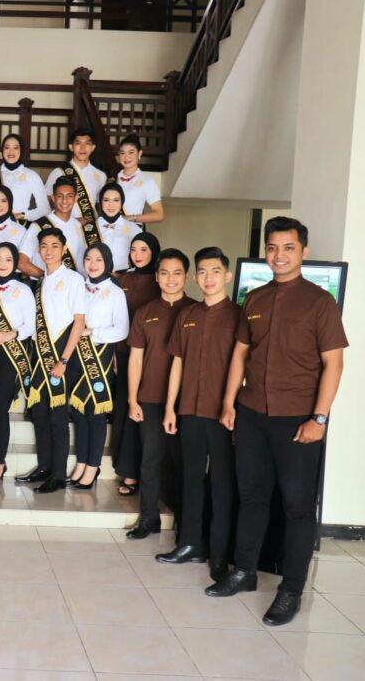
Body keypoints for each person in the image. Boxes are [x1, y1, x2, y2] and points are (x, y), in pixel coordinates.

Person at [208, 218, 346, 627]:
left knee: (297, 506)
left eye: (287, 248)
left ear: (303, 251)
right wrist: (229, 403)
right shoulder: (254, 298)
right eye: (272, 248)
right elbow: (240, 353)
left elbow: (334, 364)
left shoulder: (320, 302)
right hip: (252, 413)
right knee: (252, 496)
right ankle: (244, 571)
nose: (278, 255)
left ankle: (291, 590)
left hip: (298, 419)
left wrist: (319, 418)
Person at [159, 247, 239, 579]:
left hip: (223, 414)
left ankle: (219, 554)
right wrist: (170, 407)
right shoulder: (187, 315)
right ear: (195, 277)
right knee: (191, 479)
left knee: (221, 484)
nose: (208, 278)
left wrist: (235, 408)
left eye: (215, 271)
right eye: (203, 272)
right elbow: (177, 362)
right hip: (189, 409)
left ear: (227, 275)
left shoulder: (239, 316)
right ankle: (190, 543)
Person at [125, 248, 197, 539]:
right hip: (151, 398)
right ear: (156, 276)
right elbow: (135, 358)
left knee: (184, 461)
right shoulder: (145, 313)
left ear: (187, 277)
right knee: (150, 460)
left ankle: (186, 522)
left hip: (188, 400)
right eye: (164, 273)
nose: (170, 279)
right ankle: (149, 518)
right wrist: (132, 398)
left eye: (177, 273)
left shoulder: (196, 311)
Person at [17, 228, 86, 493]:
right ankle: (44, 467)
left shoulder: (73, 279)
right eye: (44, 246)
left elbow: (78, 322)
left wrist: (64, 360)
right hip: (40, 356)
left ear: (64, 249)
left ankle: (58, 475)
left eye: (54, 246)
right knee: (40, 414)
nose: (49, 251)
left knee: (57, 417)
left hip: (61, 357)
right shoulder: (41, 281)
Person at [67, 243, 128, 490]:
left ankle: (93, 466)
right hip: (75, 356)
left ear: (108, 263)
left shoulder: (115, 293)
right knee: (78, 413)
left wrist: (93, 333)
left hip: (99, 357)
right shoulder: (76, 286)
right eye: (89, 259)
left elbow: (122, 330)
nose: (92, 264)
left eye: (99, 260)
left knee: (95, 414)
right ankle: (81, 462)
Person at [0, 242, 35, 486]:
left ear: (15, 264)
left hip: (10, 355)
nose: (2, 264)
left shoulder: (23, 290)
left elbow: (30, 325)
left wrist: (10, 334)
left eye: (8, 259)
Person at [112, 232, 162, 495]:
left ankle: (150, 475)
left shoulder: (161, 279)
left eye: (144, 249)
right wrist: (114, 354)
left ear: (154, 252)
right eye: (134, 249)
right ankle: (129, 473)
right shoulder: (122, 280)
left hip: (154, 356)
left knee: (150, 415)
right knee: (127, 412)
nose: (138, 254)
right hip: (125, 353)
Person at [23, 177, 87, 279]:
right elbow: (22, 262)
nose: (64, 200)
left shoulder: (77, 226)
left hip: (71, 284)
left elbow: (80, 261)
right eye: (60, 196)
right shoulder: (38, 226)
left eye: (69, 196)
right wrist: (50, 279)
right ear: (53, 198)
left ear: (76, 198)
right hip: (43, 283)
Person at [44, 127, 107, 225]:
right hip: (64, 225)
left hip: (90, 226)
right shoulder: (58, 172)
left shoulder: (101, 176)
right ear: (71, 147)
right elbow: (47, 200)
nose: (83, 148)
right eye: (78, 143)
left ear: (93, 147)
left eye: (87, 144)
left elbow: (101, 204)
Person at [0, 133, 50, 224]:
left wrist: (22, 215)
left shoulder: (31, 175)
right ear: (2, 150)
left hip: (20, 226)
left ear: (21, 151)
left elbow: (45, 209)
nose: (11, 152)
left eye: (15, 148)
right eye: (7, 147)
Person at [115, 134, 164, 226]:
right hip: (110, 230)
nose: (126, 157)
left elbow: (159, 215)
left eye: (131, 153)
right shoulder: (112, 178)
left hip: (132, 229)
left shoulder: (147, 181)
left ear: (139, 154)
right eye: (123, 153)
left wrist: (131, 218)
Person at [95, 182, 143, 275]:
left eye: (116, 200)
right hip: (95, 279)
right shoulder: (88, 229)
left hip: (124, 279)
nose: (111, 205)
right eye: (106, 200)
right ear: (100, 202)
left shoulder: (134, 229)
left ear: (122, 202)